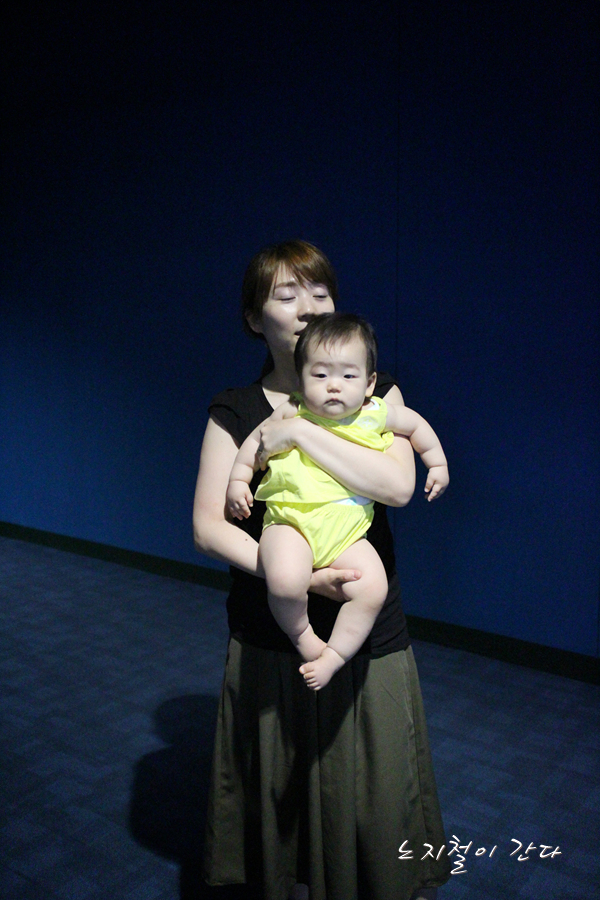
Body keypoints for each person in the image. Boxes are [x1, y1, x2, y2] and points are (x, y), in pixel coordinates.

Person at [193, 240, 451, 900]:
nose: (308, 307)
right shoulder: (236, 409)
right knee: (277, 816)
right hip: (271, 631)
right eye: (286, 295)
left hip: (369, 635)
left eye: (320, 292)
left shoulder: (376, 392)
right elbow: (208, 527)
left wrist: (302, 432)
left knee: (374, 806)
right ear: (254, 318)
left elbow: (397, 486)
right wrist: (304, 581)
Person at [226, 312, 449, 691]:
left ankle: (335, 655)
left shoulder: (376, 413)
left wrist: (437, 462)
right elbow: (256, 442)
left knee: (373, 587)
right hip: (290, 521)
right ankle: (303, 637)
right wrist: (238, 479)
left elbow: (416, 426)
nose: (334, 385)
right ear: (301, 380)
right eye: (320, 375)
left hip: (347, 531)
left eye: (348, 375)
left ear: (369, 383)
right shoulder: (293, 410)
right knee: (285, 581)